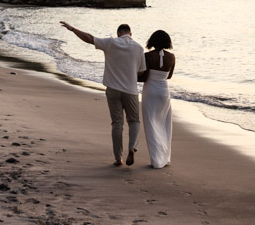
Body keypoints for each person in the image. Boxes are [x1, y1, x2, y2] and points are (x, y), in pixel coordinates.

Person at [60, 21, 147, 166]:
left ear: (118, 33)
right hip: (131, 90)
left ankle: (118, 158)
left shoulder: (111, 43)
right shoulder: (138, 48)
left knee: (117, 123)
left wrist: (72, 29)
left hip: (113, 89)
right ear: (130, 34)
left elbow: (89, 38)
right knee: (134, 121)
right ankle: (132, 147)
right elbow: (142, 71)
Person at [137, 29, 175, 168]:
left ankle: (156, 160)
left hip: (150, 90)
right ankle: (165, 158)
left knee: (151, 124)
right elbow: (169, 76)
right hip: (164, 92)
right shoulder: (172, 57)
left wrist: (130, 77)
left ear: (152, 41)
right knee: (165, 124)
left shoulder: (147, 56)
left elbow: (144, 77)